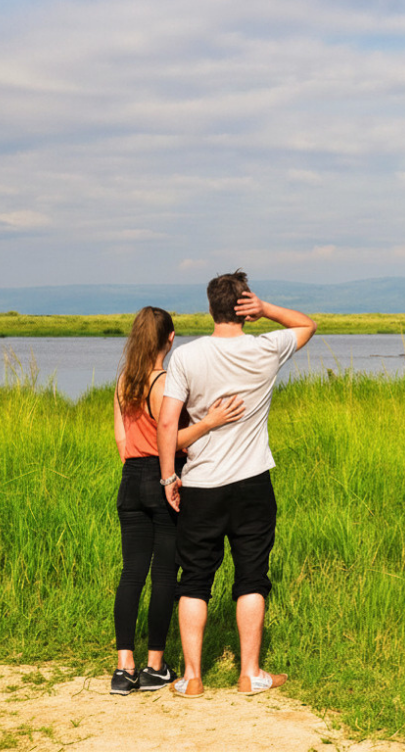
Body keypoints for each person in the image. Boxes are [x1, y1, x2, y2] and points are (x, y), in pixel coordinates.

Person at [157, 271, 316, 698]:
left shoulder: (187, 358)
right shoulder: (265, 347)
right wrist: (267, 310)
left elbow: (169, 421)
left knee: (194, 579)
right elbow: (307, 325)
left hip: (202, 484)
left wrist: (169, 475)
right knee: (252, 577)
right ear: (244, 307)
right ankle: (250, 673)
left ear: (211, 308)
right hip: (252, 484)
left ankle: (192, 678)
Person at [111, 306, 245, 695]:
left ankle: (124, 669)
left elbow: (122, 441)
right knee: (166, 574)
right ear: (170, 339)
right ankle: (155, 665)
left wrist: (137, 467)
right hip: (161, 478)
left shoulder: (123, 381)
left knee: (131, 573)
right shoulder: (164, 382)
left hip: (130, 479)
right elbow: (169, 439)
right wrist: (208, 423)